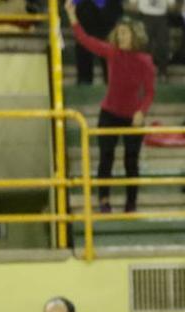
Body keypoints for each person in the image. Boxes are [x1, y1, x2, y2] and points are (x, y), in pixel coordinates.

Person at [67, 1, 156, 214]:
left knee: (131, 161)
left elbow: (150, 92)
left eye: (125, 34)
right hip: (109, 113)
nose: (121, 37)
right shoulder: (112, 53)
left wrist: (141, 112)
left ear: (135, 36)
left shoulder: (145, 61)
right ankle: (104, 200)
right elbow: (84, 39)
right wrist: (72, 15)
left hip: (132, 117)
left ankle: (131, 203)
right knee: (106, 158)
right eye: (119, 34)